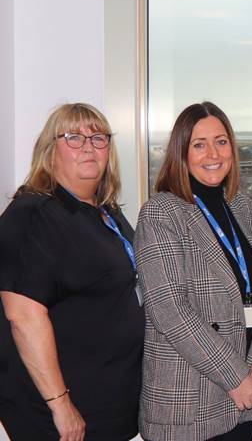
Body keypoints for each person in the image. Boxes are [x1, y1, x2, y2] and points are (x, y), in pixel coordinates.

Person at [134, 102, 252, 441]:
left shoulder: (242, 207)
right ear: (181, 154)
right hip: (189, 399)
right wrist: (236, 378)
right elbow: (168, 311)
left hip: (246, 395)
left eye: (221, 141)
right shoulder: (162, 212)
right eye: (198, 145)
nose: (212, 153)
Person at [0, 103, 143, 440]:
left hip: (107, 402)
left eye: (98, 137)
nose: (89, 146)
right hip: (59, 415)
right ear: (50, 150)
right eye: (74, 137)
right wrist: (60, 404)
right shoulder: (33, 214)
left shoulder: (105, 211)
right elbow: (23, 317)